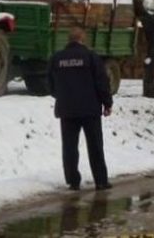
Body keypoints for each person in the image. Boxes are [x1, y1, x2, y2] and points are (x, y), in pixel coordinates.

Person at [47, 26, 113, 191]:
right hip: (90, 109)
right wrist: (107, 103)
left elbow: (51, 84)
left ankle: (73, 181)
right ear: (83, 39)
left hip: (67, 110)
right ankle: (101, 181)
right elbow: (102, 82)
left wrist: (63, 96)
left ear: (68, 40)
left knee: (69, 147)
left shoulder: (57, 58)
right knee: (95, 146)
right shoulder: (91, 57)